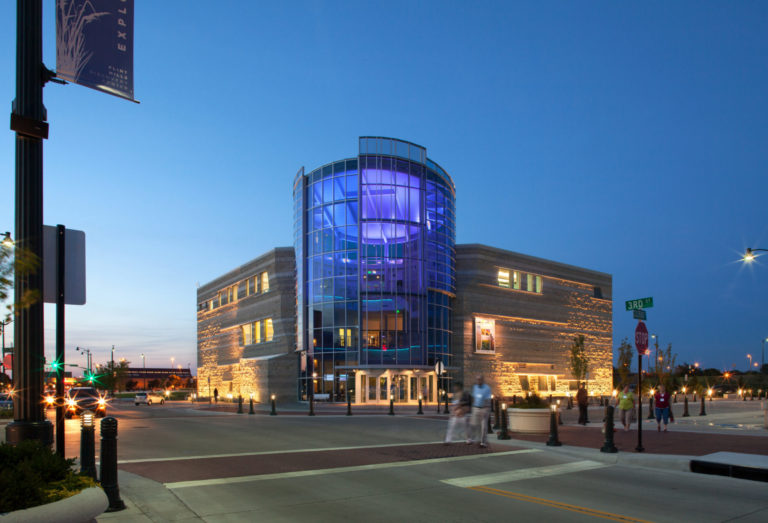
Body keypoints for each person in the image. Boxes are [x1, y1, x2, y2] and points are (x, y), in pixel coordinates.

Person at [469, 374, 492, 447]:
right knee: (473, 424)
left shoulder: (487, 388)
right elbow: (473, 397)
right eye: (477, 379)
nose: (478, 381)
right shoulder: (475, 387)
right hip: (476, 407)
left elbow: (488, 399)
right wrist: (472, 406)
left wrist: (485, 409)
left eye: (479, 379)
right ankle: (472, 438)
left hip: (484, 408)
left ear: (482, 380)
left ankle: (483, 442)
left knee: (483, 426)